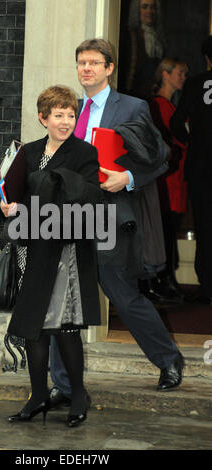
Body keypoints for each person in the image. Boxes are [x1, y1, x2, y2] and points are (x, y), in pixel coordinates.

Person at [49, 38, 185, 410]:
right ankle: (62, 384)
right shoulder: (68, 109)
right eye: (81, 63)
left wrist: (127, 177)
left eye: (94, 62)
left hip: (110, 215)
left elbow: (160, 158)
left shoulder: (133, 107)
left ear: (109, 68)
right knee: (64, 300)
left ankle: (169, 359)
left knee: (122, 294)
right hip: (71, 217)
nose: (86, 69)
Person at [0, 85, 103, 428]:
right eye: (58, 115)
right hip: (32, 248)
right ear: (43, 118)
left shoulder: (85, 153)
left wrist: (26, 206)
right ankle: (38, 395)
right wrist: (7, 205)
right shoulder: (27, 152)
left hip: (65, 251)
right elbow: (15, 192)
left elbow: (80, 199)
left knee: (64, 328)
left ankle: (77, 396)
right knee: (34, 329)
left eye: (71, 115)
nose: (66, 121)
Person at [170, 36, 212, 305]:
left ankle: (207, 287)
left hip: (201, 167)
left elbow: (176, 122)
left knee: (205, 228)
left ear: (207, 59)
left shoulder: (196, 83)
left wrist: (191, 141)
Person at [149, 58, 188, 301]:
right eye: (180, 72)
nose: (183, 77)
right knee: (164, 229)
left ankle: (167, 279)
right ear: (165, 74)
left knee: (170, 229)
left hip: (177, 177)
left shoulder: (171, 105)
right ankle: (162, 279)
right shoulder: (159, 105)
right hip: (168, 178)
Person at [120, 0, 165, 99]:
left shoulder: (158, 36)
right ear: (137, 10)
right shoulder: (131, 36)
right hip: (134, 92)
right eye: (145, 7)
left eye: (153, 7)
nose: (149, 11)